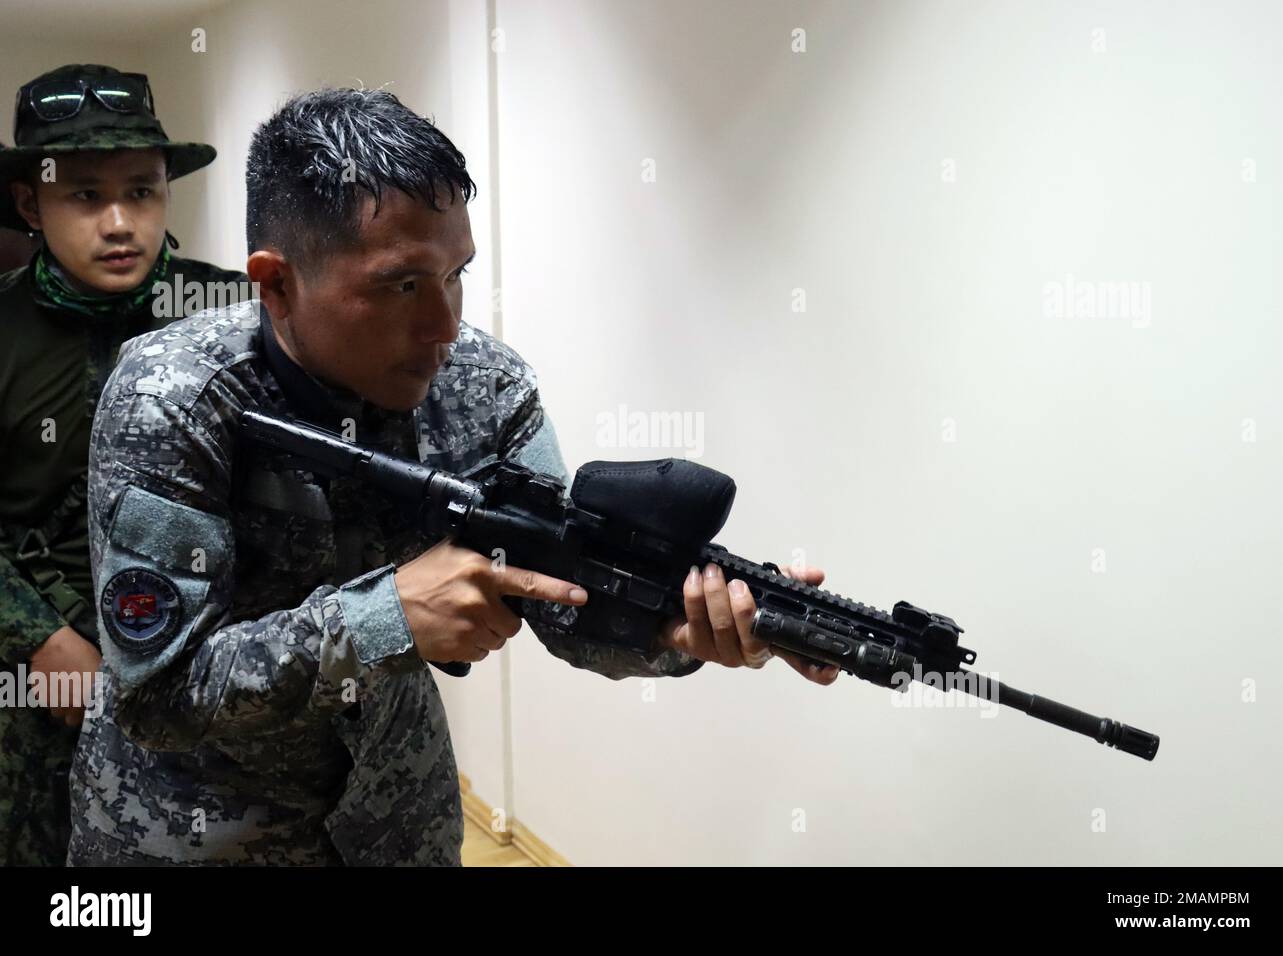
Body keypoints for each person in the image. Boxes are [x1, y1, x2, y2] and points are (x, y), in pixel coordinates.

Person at [67, 87, 837, 866]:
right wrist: (383, 617)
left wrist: (666, 632)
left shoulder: (486, 388)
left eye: (455, 275)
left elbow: (558, 601)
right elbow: (156, 693)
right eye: (401, 285)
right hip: (189, 831)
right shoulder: (172, 398)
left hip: (393, 821)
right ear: (276, 285)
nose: (443, 327)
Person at [0, 63, 248, 866]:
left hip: (206, 681)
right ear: (29, 203)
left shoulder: (238, 317)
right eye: (84, 195)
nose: (119, 222)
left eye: (141, 192)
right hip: (38, 700)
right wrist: (37, 638)